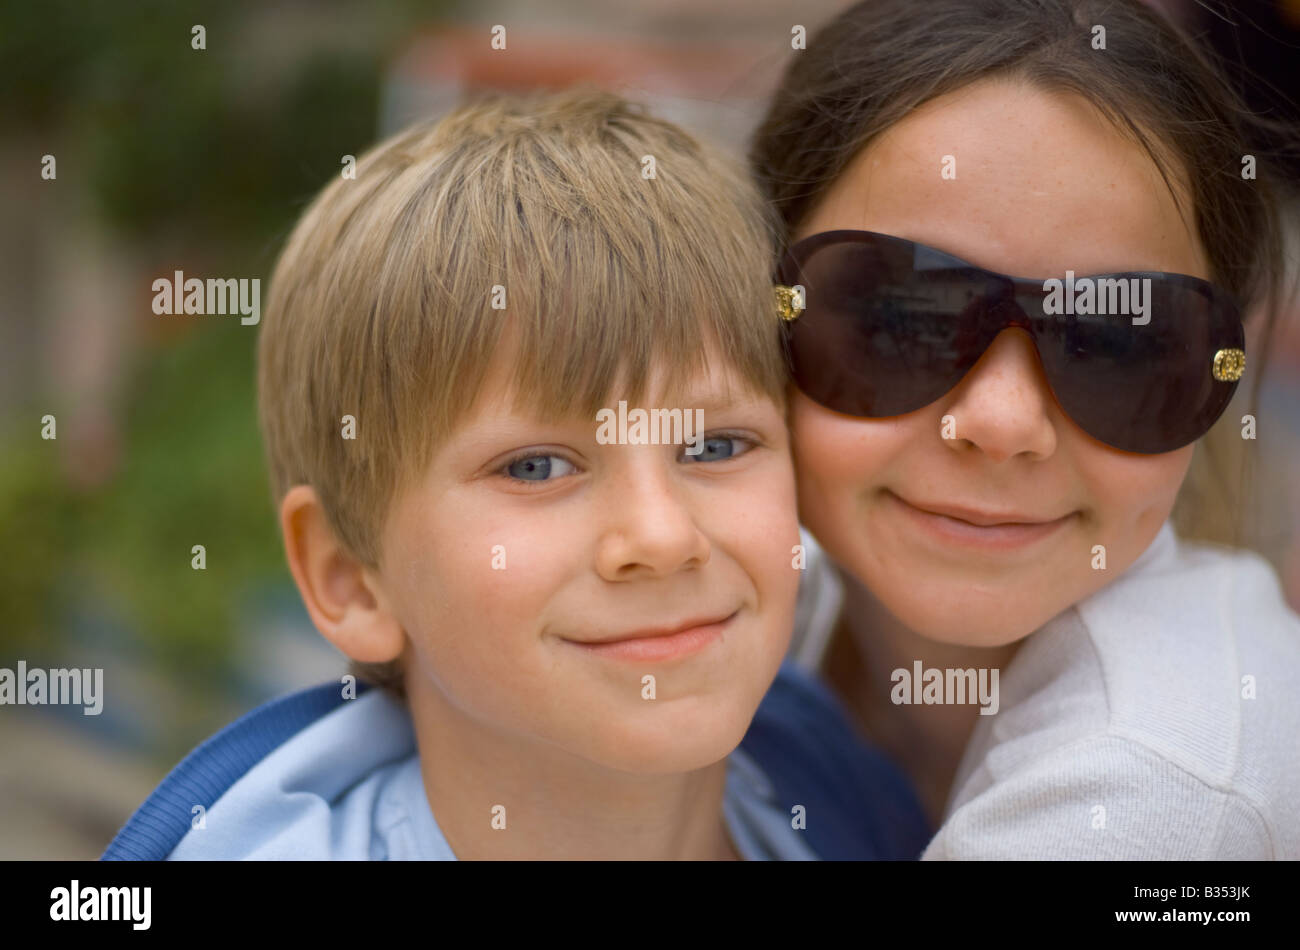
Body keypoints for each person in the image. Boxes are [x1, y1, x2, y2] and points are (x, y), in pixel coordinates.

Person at [102, 88, 930, 861]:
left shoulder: (854, 811)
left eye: (714, 447)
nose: (661, 536)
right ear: (350, 576)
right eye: (536, 466)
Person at [754, 0, 1300, 858]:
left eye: (1116, 339)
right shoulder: (751, 597)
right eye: (902, 314)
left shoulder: (1160, 786)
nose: (1004, 424)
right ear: (754, 313)